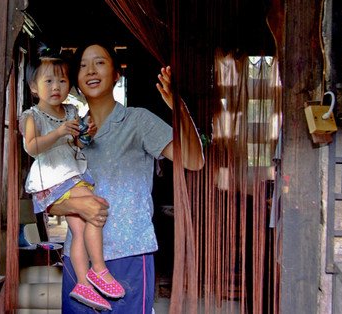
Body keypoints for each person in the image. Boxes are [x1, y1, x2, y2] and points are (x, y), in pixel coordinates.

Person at [48, 41, 205, 313]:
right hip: (80, 259)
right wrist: (74, 205)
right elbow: (48, 200)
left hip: (129, 254)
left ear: (116, 74)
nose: (90, 71)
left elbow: (194, 160)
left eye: (99, 62)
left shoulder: (138, 122)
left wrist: (178, 107)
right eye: (83, 65)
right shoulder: (70, 134)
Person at [19, 45, 124, 311]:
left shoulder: (70, 111)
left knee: (78, 229)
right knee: (94, 208)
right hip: (54, 177)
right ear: (33, 87)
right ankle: (98, 269)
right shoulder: (32, 116)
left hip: (73, 171)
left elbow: (77, 144)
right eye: (49, 80)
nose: (57, 86)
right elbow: (31, 148)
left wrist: (86, 133)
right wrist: (57, 133)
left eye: (63, 80)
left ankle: (82, 284)